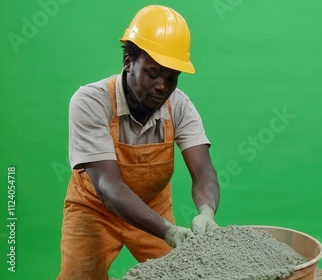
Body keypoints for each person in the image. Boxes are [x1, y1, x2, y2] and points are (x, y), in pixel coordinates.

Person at [58, 5, 220, 279]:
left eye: (172, 78)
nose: (162, 86)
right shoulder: (90, 102)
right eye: (153, 73)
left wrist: (206, 211)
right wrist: (167, 231)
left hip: (153, 209)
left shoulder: (179, 107)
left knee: (181, 274)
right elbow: (108, 187)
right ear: (128, 62)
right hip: (94, 209)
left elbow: (203, 171)